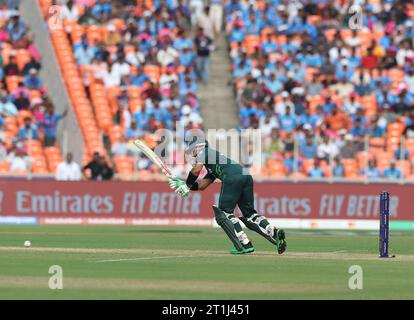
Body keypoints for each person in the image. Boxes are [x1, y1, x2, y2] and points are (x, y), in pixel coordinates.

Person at [167, 131, 287, 255]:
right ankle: (273, 231)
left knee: (224, 213)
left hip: (232, 177)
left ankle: (244, 244)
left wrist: (186, 184)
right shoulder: (212, 162)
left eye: (193, 150)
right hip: (245, 175)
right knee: (250, 214)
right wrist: (187, 185)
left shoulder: (205, 151)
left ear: (199, 146)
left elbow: (196, 170)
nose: (193, 153)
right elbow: (202, 185)